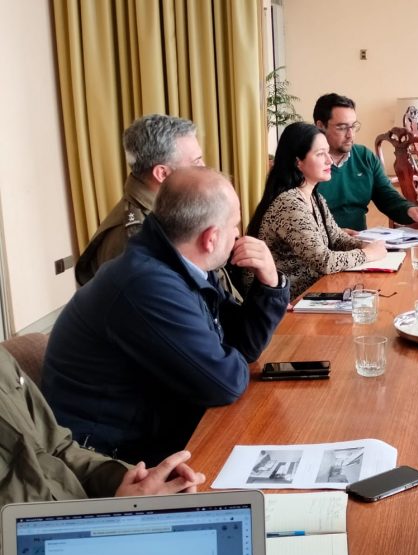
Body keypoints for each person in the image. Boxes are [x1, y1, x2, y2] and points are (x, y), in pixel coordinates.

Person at [43, 167, 289, 467]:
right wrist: (224, 352)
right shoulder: (147, 284)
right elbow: (224, 383)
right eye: (235, 225)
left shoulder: (181, 264)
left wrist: (270, 283)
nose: (239, 235)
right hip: (112, 460)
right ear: (210, 238)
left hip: (152, 430)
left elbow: (241, 346)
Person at [0, 346, 205, 508]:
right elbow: (222, 382)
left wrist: (139, 482)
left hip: (90, 520)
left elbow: (58, 449)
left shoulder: (3, 361)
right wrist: (118, 516)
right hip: (47, 548)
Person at [246, 122, 387, 298]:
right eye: (320, 154)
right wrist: (367, 253)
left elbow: (336, 238)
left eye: (327, 152)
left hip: (311, 291)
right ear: (298, 162)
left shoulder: (314, 197)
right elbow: (325, 261)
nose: (329, 160)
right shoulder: (289, 204)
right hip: (286, 301)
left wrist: (366, 245)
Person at [74, 114, 204, 285]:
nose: (204, 168)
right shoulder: (135, 238)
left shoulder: (168, 210)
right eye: (196, 162)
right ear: (162, 173)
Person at [313, 93, 418, 231]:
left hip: (361, 243)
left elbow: (386, 196)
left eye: (353, 126)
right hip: (320, 246)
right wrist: (333, 236)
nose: (350, 134)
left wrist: (410, 210)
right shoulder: (306, 163)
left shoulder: (364, 156)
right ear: (320, 126)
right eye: (342, 127)